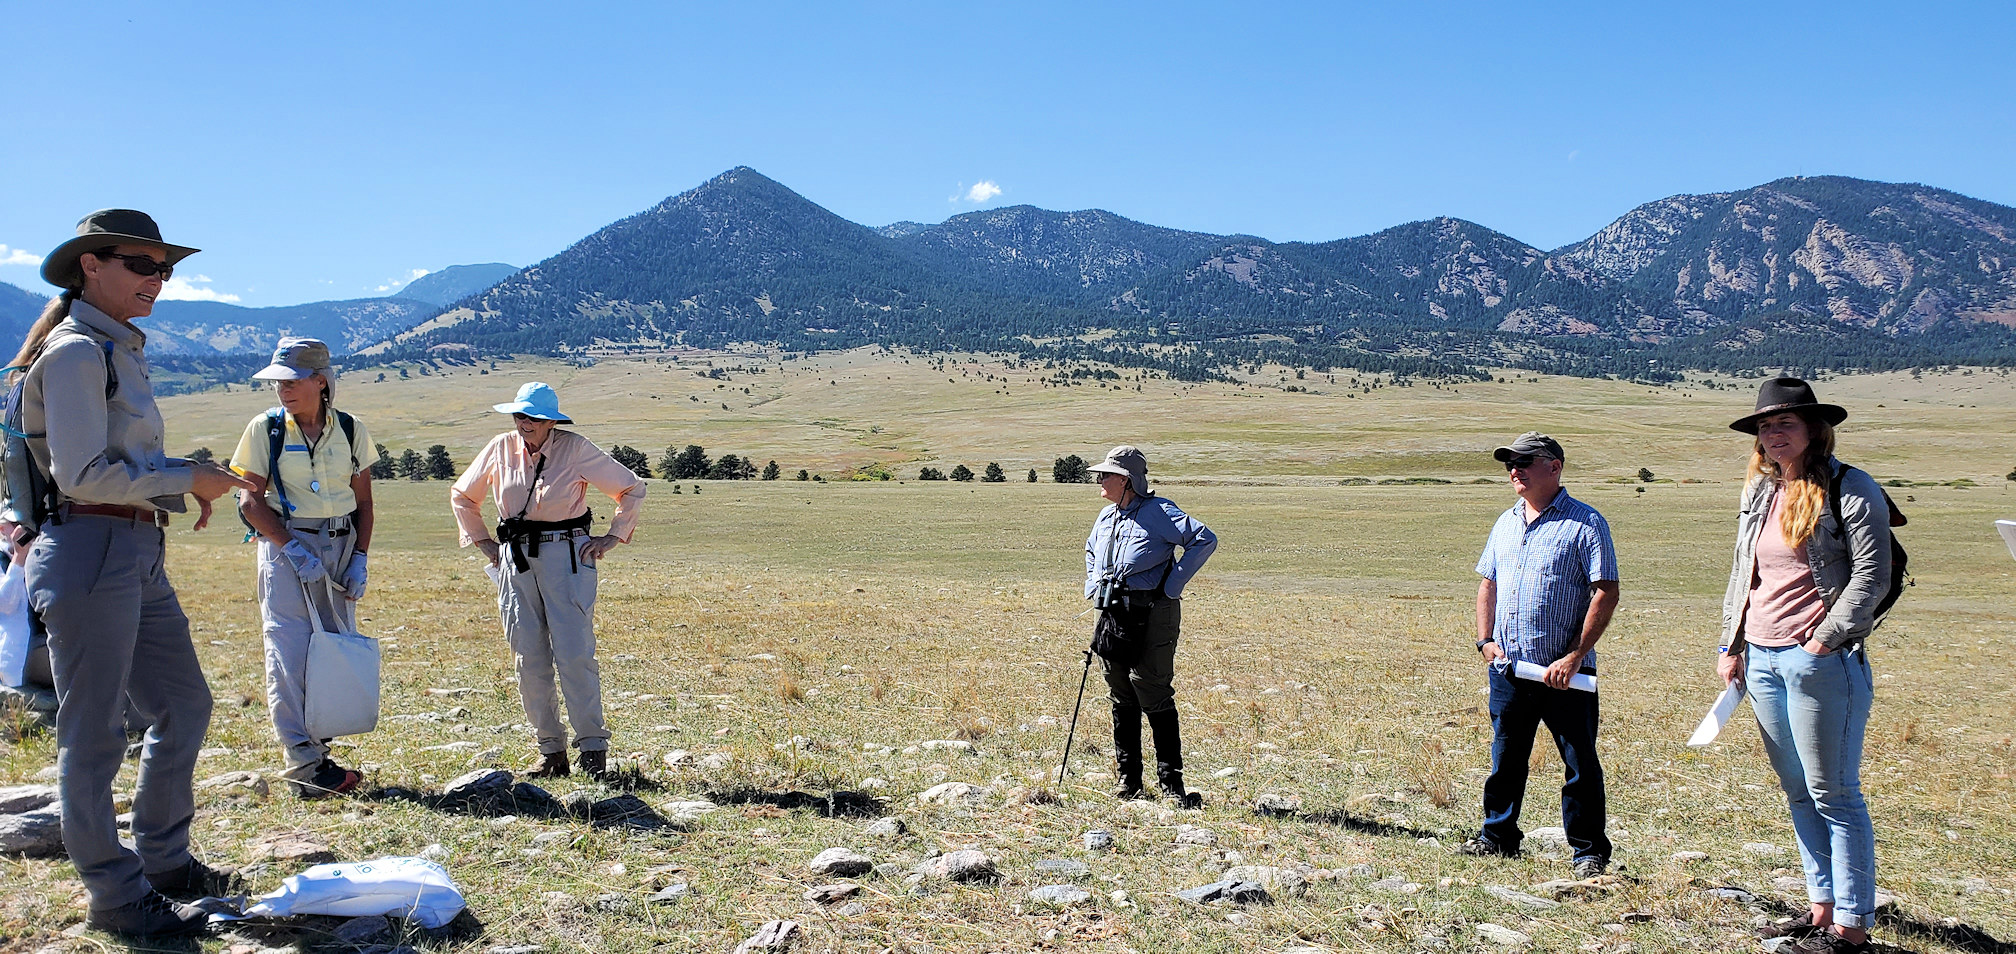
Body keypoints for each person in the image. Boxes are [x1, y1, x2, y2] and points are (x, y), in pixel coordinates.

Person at [13, 210, 255, 936]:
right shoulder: (79, 353)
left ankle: (164, 863)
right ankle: (117, 899)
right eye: (142, 265)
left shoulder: (114, 348)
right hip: (90, 551)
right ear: (92, 264)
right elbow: (84, 474)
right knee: (93, 736)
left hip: (132, 550)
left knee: (183, 705)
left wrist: (180, 486)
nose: (158, 280)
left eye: (165, 269)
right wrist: (187, 477)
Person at [1718, 377, 1889, 954]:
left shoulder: (1853, 487)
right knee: (1798, 790)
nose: (1773, 435)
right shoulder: (1762, 493)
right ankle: (1820, 910)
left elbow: (1871, 577)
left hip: (1821, 661)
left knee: (1835, 793)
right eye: (1766, 426)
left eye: (1785, 424)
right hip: (1763, 657)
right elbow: (1746, 573)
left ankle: (1853, 926)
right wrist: (1732, 644)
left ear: (1816, 430)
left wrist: (1824, 640)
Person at [451, 382, 645, 779]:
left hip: (567, 557)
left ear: (550, 421)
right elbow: (463, 496)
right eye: (519, 415)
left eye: (532, 417)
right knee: (528, 657)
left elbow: (630, 488)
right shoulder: (500, 447)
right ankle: (550, 752)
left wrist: (613, 535)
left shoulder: (575, 448)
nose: (523, 423)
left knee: (574, 653)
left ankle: (593, 751)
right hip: (515, 560)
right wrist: (484, 541)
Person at [1461, 431, 1618, 879]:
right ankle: (1498, 835)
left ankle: (1588, 851)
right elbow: (1487, 582)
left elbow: (1605, 591)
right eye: (1511, 462)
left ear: (1555, 467)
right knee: (1506, 758)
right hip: (1508, 668)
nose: (1516, 470)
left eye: (1526, 461)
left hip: (1564, 674)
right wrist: (1485, 641)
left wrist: (1575, 655)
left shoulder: (1586, 524)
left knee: (1579, 762)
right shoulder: (1505, 522)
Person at [231, 337, 375, 798]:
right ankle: (303, 762)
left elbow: (366, 503)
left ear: (320, 382)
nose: (282, 389)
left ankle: (320, 749)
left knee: (331, 647)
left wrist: (360, 558)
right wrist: (291, 548)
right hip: (285, 543)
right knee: (289, 650)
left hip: (339, 545)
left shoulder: (351, 429)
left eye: (292, 380)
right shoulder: (265, 429)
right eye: (277, 381)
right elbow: (249, 500)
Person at [1082, 445, 1217, 808]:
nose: (1100, 479)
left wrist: (1173, 586)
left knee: (1152, 688)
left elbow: (1204, 539)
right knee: (1119, 689)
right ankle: (1129, 783)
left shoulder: (1160, 512)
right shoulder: (1106, 516)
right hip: (1112, 611)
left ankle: (1172, 786)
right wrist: (1094, 584)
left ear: (1126, 480)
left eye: (1106, 474)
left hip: (1153, 611)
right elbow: (1091, 550)